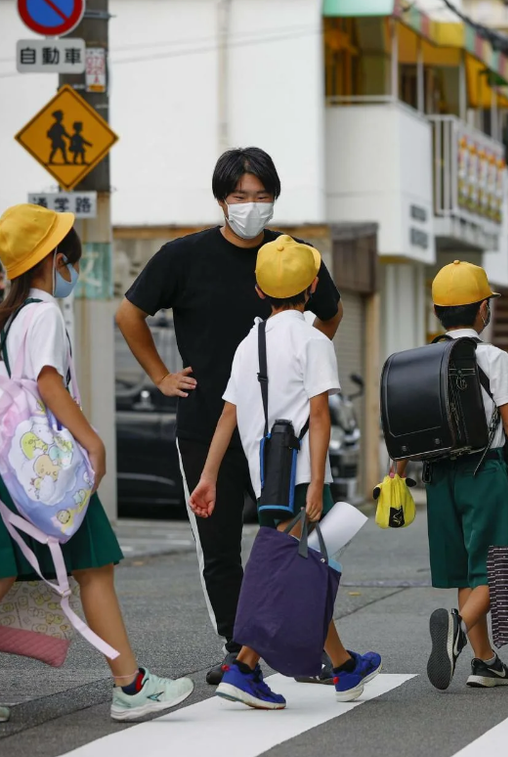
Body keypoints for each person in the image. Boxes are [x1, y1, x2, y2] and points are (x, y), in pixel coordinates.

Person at [116, 147, 344, 685]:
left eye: (262, 196)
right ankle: (238, 649)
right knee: (220, 550)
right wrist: (160, 376)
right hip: (206, 427)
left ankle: (286, 647)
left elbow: (331, 313)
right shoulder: (183, 256)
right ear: (222, 200)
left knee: (293, 542)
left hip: (279, 436)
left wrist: (301, 369)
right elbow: (129, 313)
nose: (251, 206)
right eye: (240, 196)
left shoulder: (296, 257)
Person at [0, 204, 195, 721]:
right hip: (49, 472)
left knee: (28, 571)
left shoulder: (10, 316)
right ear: (55, 260)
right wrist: (93, 443)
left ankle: (130, 681)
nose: (74, 269)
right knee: (95, 566)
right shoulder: (43, 314)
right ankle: (130, 686)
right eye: (71, 259)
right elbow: (48, 382)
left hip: (11, 468)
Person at [188, 236, 380, 709]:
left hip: (265, 477)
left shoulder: (248, 343)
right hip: (301, 477)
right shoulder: (313, 340)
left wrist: (208, 475)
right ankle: (245, 668)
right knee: (293, 572)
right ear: (313, 286)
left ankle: (343, 667)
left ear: (259, 288)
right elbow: (319, 416)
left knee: (304, 570)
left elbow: (227, 415)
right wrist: (317, 482)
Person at [396, 260, 508, 691]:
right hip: (486, 472)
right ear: (483, 310)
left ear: (438, 311)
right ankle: (458, 628)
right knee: (497, 567)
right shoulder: (492, 357)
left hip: (439, 476)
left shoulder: (419, 359)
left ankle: (485, 661)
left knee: (466, 570)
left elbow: (406, 426)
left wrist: (396, 474)